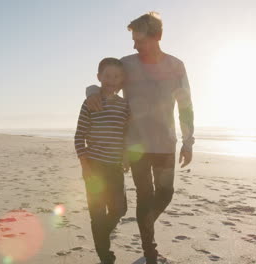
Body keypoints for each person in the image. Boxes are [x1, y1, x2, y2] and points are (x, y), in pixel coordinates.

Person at [85, 12, 194, 264]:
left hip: (166, 144)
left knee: (165, 193)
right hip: (136, 147)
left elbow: (186, 106)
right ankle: (150, 254)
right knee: (145, 196)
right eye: (133, 40)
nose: (134, 45)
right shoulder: (128, 64)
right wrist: (91, 91)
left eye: (140, 40)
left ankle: (144, 224)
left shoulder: (176, 66)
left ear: (156, 37)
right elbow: (106, 83)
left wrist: (189, 141)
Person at [74, 57, 129, 264]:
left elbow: (126, 134)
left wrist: (126, 156)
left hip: (114, 166)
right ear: (99, 77)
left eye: (116, 76)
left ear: (122, 79)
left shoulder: (124, 106)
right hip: (94, 166)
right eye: (107, 76)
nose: (112, 80)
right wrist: (85, 166)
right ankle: (105, 257)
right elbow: (79, 135)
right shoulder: (90, 103)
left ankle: (101, 236)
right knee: (97, 213)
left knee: (119, 209)